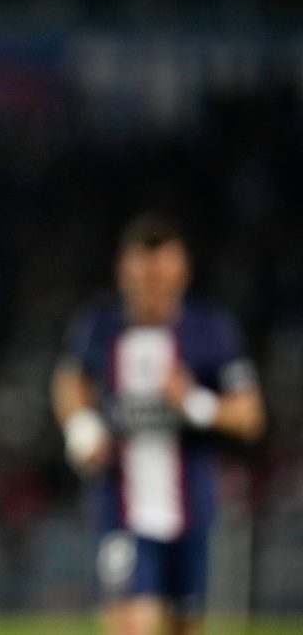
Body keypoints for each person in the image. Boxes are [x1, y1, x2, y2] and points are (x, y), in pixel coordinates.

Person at [51, 213, 264, 635]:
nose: (153, 286)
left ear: (183, 273)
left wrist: (195, 403)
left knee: (185, 626)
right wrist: (82, 430)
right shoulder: (100, 327)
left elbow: (250, 415)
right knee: (133, 625)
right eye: (144, 277)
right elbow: (70, 380)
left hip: (191, 511)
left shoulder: (210, 330)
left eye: (162, 276)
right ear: (123, 273)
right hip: (120, 509)